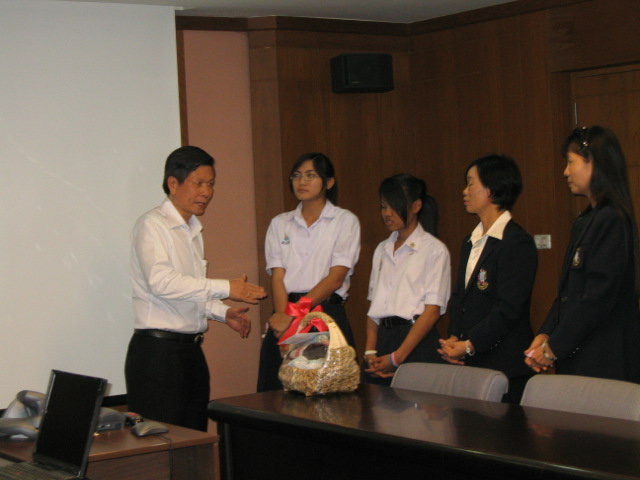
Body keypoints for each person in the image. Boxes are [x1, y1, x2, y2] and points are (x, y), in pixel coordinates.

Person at [125, 146, 266, 431]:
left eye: (210, 184)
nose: (206, 192)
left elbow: (190, 292)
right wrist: (227, 288)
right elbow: (161, 283)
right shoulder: (152, 225)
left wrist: (223, 313)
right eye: (198, 183)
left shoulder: (193, 230)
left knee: (194, 440)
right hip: (157, 355)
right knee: (162, 444)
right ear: (173, 183)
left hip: (190, 353)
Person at [525, 126, 640, 382]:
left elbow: (596, 298)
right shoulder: (586, 219)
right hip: (579, 353)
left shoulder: (612, 219)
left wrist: (554, 348)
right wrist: (546, 333)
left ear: (593, 163)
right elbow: (568, 294)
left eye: (570, 162)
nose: (565, 172)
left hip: (604, 359)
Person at [257, 152, 361, 392]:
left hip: (324, 315)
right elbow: (278, 277)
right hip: (284, 315)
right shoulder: (280, 223)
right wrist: (283, 317)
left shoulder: (344, 221)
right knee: (275, 395)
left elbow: (335, 278)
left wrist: (294, 315)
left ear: (329, 182)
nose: (301, 182)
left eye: (310, 175)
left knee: (326, 395)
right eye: (296, 176)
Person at [438, 154, 537, 403]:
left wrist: (470, 344)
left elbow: (509, 309)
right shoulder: (470, 241)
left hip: (503, 366)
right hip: (470, 363)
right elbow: (460, 298)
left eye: (471, 183)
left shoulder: (516, 242)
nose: (465, 191)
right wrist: (455, 337)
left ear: (491, 189)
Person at [363, 174, 451, 386]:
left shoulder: (434, 250)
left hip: (415, 343)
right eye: (383, 206)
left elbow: (432, 311)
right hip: (383, 339)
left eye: (394, 206)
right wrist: (370, 351)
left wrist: (397, 358)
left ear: (416, 206)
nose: (387, 213)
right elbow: (374, 308)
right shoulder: (381, 249)